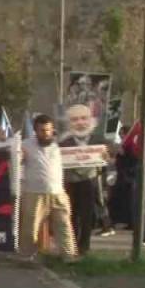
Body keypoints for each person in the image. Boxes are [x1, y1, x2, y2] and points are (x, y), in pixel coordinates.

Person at [19, 114, 77, 260]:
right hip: (34, 193)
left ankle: (69, 257)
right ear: (35, 131)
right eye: (42, 130)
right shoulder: (25, 145)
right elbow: (15, 159)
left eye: (48, 130)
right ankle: (26, 257)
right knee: (30, 228)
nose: (46, 133)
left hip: (58, 192)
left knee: (64, 225)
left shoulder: (60, 145)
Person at [59, 104, 105, 255]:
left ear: (91, 120)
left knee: (87, 216)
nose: (80, 123)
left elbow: (111, 157)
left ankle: (84, 246)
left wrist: (107, 157)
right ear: (68, 123)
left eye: (84, 118)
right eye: (75, 119)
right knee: (71, 214)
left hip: (90, 182)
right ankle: (71, 245)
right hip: (70, 183)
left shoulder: (99, 140)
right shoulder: (63, 143)